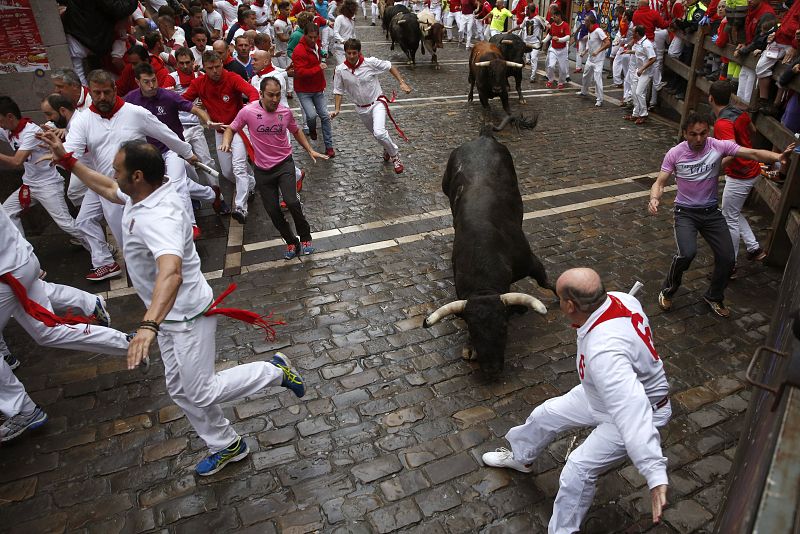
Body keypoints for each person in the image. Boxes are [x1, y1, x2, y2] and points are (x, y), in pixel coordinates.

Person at [39, 131, 306, 478]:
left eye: (118, 169)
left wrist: (147, 327)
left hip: (187, 315)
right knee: (181, 389)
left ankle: (274, 371)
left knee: (201, 389)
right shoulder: (141, 194)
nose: (113, 174)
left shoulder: (160, 215)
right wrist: (67, 160)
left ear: (137, 176)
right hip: (169, 316)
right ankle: (226, 444)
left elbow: (171, 272)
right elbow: (105, 187)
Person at [482, 267, 671, 534]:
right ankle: (522, 458)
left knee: (578, 470)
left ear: (570, 305)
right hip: (600, 394)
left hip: (637, 409)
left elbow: (632, 411)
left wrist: (653, 472)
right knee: (545, 414)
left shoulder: (604, 352)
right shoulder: (622, 299)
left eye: (559, 298)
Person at [0, 203, 130, 442]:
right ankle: (126, 343)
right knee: (47, 332)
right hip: (16, 262)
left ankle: (21, 409)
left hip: (7, 273)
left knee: (47, 329)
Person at [648, 111, 793, 317]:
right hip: (686, 213)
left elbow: (752, 153)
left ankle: (714, 296)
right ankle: (668, 289)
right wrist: (654, 198)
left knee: (727, 258)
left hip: (711, 213)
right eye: (693, 134)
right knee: (686, 254)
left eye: (702, 133)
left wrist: (777, 157)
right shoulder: (675, 153)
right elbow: (660, 182)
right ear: (684, 133)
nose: (698, 139)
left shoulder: (717, 145)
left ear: (709, 131)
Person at [65, 69, 199, 282]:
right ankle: (141, 279)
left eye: (106, 92)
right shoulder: (82, 121)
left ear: (115, 89)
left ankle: (171, 276)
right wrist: (58, 153)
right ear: (90, 91)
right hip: (109, 192)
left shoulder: (135, 112)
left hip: (141, 191)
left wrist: (188, 153)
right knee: (126, 242)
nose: (102, 98)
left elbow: (165, 134)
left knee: (155, 238)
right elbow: (71, 152)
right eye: (97, 93)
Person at [223, 78, 327, 260]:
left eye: (278, 94)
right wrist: (226, 142)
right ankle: (291, 242)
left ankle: (305, 237)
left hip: (284, 164)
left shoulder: (285, 113)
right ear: (261, 94)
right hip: (262, 170)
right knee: (272, 210)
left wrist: (310, 149)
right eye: (270, 95)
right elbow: (231, 128)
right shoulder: (248, 111)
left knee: (292, 202)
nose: (275, 99)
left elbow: (296, 131)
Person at [124, 62, 227, 240]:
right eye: (147, 82)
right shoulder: (130, 100)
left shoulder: (168, 96)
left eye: (154, 81)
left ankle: (191, 226)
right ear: (137, 82)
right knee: (169, 185)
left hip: (174, 149)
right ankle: (211, 194)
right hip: (149, 154)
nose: (152, 86)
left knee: (178, 184)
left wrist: (207, 121)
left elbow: (194, 108)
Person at [182, 50, 259, 224]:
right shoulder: (199, 83)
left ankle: (241, 208)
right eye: (211, 68)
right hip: (219, 131)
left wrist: (247, 112)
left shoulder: (232, 78)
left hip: (237, 128)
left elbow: (253, 93)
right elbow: (182, 101)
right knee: (227, 171)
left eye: (218, 66)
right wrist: (201, 113)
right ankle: (251, 184)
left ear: (222, 64)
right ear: (204, 68)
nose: (215, 71)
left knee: (239, 167)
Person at [0, 97, 85, 247]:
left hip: (48, 185)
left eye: (0, 121)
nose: (0, 125)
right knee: (7, 214)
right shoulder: (9, 129)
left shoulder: (30, 132)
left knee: (66, 224)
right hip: (30, 184)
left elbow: (16, 161)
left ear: (10, 117)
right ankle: (23, 252)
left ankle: (101, 247)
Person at [708, 81, 768, 272]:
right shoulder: (739, 112)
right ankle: (754, 247)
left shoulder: (723, 123)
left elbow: (732, 151)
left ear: (711, 98)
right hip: (750, 170)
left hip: (741, 173)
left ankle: (729, 265)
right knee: (732, 210)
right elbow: (753, 131)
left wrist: (713, 168)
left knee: (729, 217)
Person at [331, 39, 412, 173]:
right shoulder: (340, 70)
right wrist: (337, 109)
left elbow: (389, 66)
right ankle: (387, 148)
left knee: (379, 132)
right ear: (345, 53)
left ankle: (395, 156)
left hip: (377, 103)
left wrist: (401, 82)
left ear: (359, 52)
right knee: (376, 134)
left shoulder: (370, 63)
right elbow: (338, 90)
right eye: (348, 53)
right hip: (361, 108)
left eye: (354, 53)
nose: (351, 56)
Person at [165, 48, 227, 199]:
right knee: (185, 164)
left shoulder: (202, 77)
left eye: (188, 62)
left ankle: (218, 195)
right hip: (178, 128)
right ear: (176, 64)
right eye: (181, 63)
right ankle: (195, 195)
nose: (185, 66)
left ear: (193, 62)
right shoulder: (171, 79)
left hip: (195, 126)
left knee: (207, 161)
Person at [293, 22, 336, 157]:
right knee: (311, 116)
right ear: (304, 35)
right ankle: (312, 129)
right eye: (310, 37)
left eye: (315, 37)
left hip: (318, 87)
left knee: (324, 116)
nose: (313, 40)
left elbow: (317, 52)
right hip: (304, 90)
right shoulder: (299, 51)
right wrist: (319, 67)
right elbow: (300, 72)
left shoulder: (315, 43)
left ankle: (329, 146)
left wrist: (322, 53)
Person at [576, 13, 610, 106]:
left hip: (598, 60)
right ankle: (584, 91)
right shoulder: (590, 30)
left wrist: (598, 51)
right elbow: (590, 44)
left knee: (597, 80)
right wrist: (584, 52)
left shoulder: (598, 30)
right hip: (590, 59)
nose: (584, 22)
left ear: (589, 22)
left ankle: (600, 99)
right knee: (585, 76)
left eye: (585, 20)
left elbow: (607, 43)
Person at [624, 25, 656, 125]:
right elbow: (640, 53)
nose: (632, 34)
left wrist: (642, 68)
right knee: (634, 92)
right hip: (638, 71)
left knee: (639, 92)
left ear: (637, 33)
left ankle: (643, 114)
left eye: (633, 32)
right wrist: (631, 51)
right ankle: (635, 113)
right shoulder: (639, 43)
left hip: (645, 72)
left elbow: (653, 58)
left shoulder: (647, 44)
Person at [519, 4, 546, 82]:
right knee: (519, 56)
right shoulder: (526, 18)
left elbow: (544, 27)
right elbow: (520, 26)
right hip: (526, 43)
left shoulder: (537, 19)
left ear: (529, 10)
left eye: (526, 10)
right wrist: (512, 30)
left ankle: (533, 76)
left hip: (535, 43)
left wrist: (542, 37)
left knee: (534, 58)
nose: (525, 11)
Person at [545, 8, 570, 89]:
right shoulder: (552, 25)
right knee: (551, 66)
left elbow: (568, 37)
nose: (553, 19)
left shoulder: (565, 25)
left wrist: (559, 39)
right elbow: (550, 34)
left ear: (559, 16)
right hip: (553, 49)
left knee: (563, 69)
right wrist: (543, 41)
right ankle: (550, 80)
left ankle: (561, 82)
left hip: (562, 50)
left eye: (554, 17)